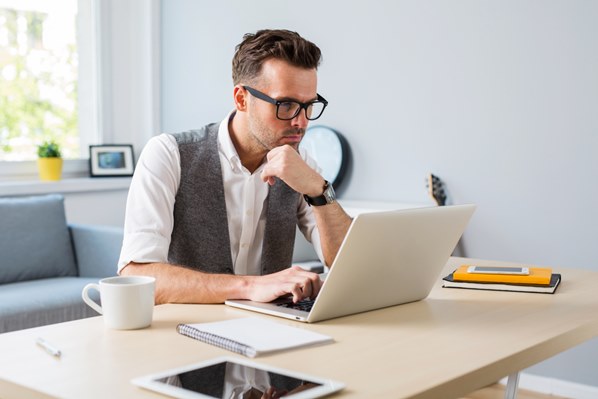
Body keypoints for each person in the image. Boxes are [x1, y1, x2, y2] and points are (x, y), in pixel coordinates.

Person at [118, 29, 352, 304]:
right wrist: (249, 287)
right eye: (286, 105)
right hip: (187, 331)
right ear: (242, 99)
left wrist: (319, 189)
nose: (301, 122)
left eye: (308, 105)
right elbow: (137, 276)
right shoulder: (168, 155)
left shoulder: (301, 164)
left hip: (273, 331)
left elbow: (348, 265)